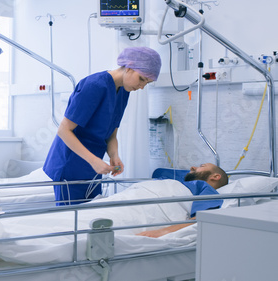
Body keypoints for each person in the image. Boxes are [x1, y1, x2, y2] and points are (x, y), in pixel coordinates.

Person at [43, 47, 162, 205]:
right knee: (71, 221)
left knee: (92, 218)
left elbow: (111, 134)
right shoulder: (94, 85)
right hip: (70, 164)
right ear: (129, 67)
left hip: (92, 167)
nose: (142, 87)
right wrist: (94, 161)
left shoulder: (124, 91)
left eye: (147, 83)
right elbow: (64, 130)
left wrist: (114, 155)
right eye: (141, 79)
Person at [137, 163, 229, 238]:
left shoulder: (206, 189)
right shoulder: (179, 184)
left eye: (202, 166)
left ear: (216, 176)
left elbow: (203, 217)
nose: (192, 167)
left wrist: (162, 232)